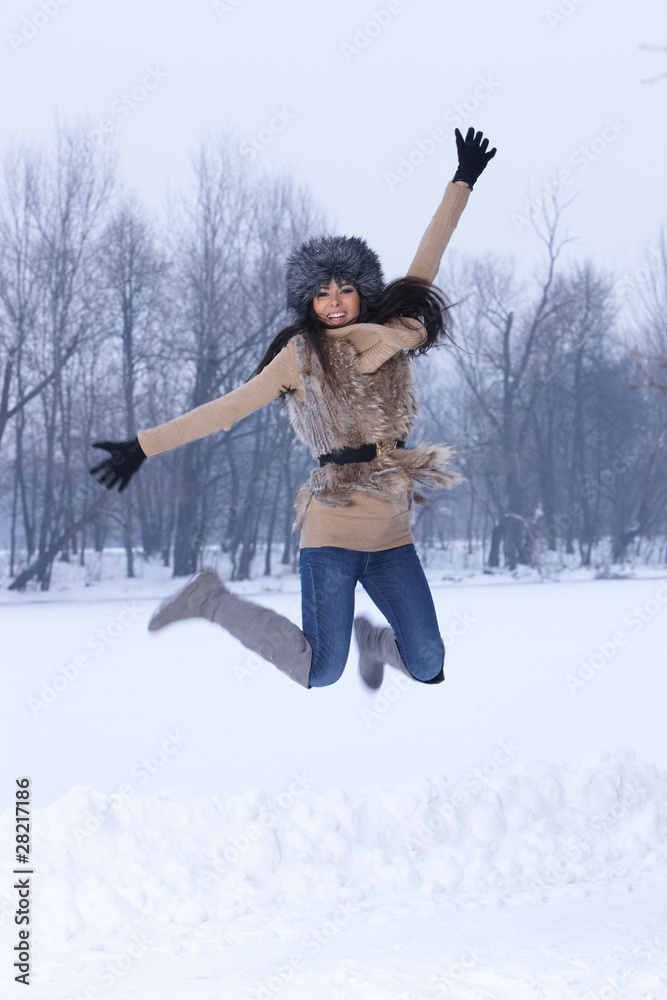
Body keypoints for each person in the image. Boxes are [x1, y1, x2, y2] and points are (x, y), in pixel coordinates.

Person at [90, 127, 496, 691]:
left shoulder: (394, 333)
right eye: (321, 292)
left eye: (345, 288)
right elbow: (222, 411)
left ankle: (374, 642)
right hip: (332, 526)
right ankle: (211, 600)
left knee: (429, 665)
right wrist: (142, 445)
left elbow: (429, 255)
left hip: (392, 529)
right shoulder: (299, 358)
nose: (333, 300)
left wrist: (461, 182)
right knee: (320, 670)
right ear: (309, 301)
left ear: (363, 293)